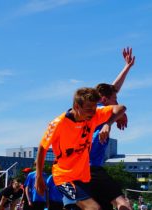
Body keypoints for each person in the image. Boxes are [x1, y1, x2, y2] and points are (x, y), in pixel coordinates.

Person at [34, 87, 126, 210]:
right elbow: (42, 148)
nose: (92, 113)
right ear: (77, 106)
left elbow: (121, 108)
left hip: (83, 177)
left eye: (94, 109)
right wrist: (39, 176)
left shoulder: (93, 116)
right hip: (64, 178)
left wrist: (108, 124)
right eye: (88, 109)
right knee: (93, 208)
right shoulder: (59, 123)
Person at [88, 47, 135, 210]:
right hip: (92, 167)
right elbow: (120, 105)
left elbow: (113, 89)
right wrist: (112, 120)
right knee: (122, 202)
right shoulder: (101, 111)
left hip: (80, 171)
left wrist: (127, 67)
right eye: (114, 98)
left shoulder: (91, 109)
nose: (116, 100)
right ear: (104, 99)